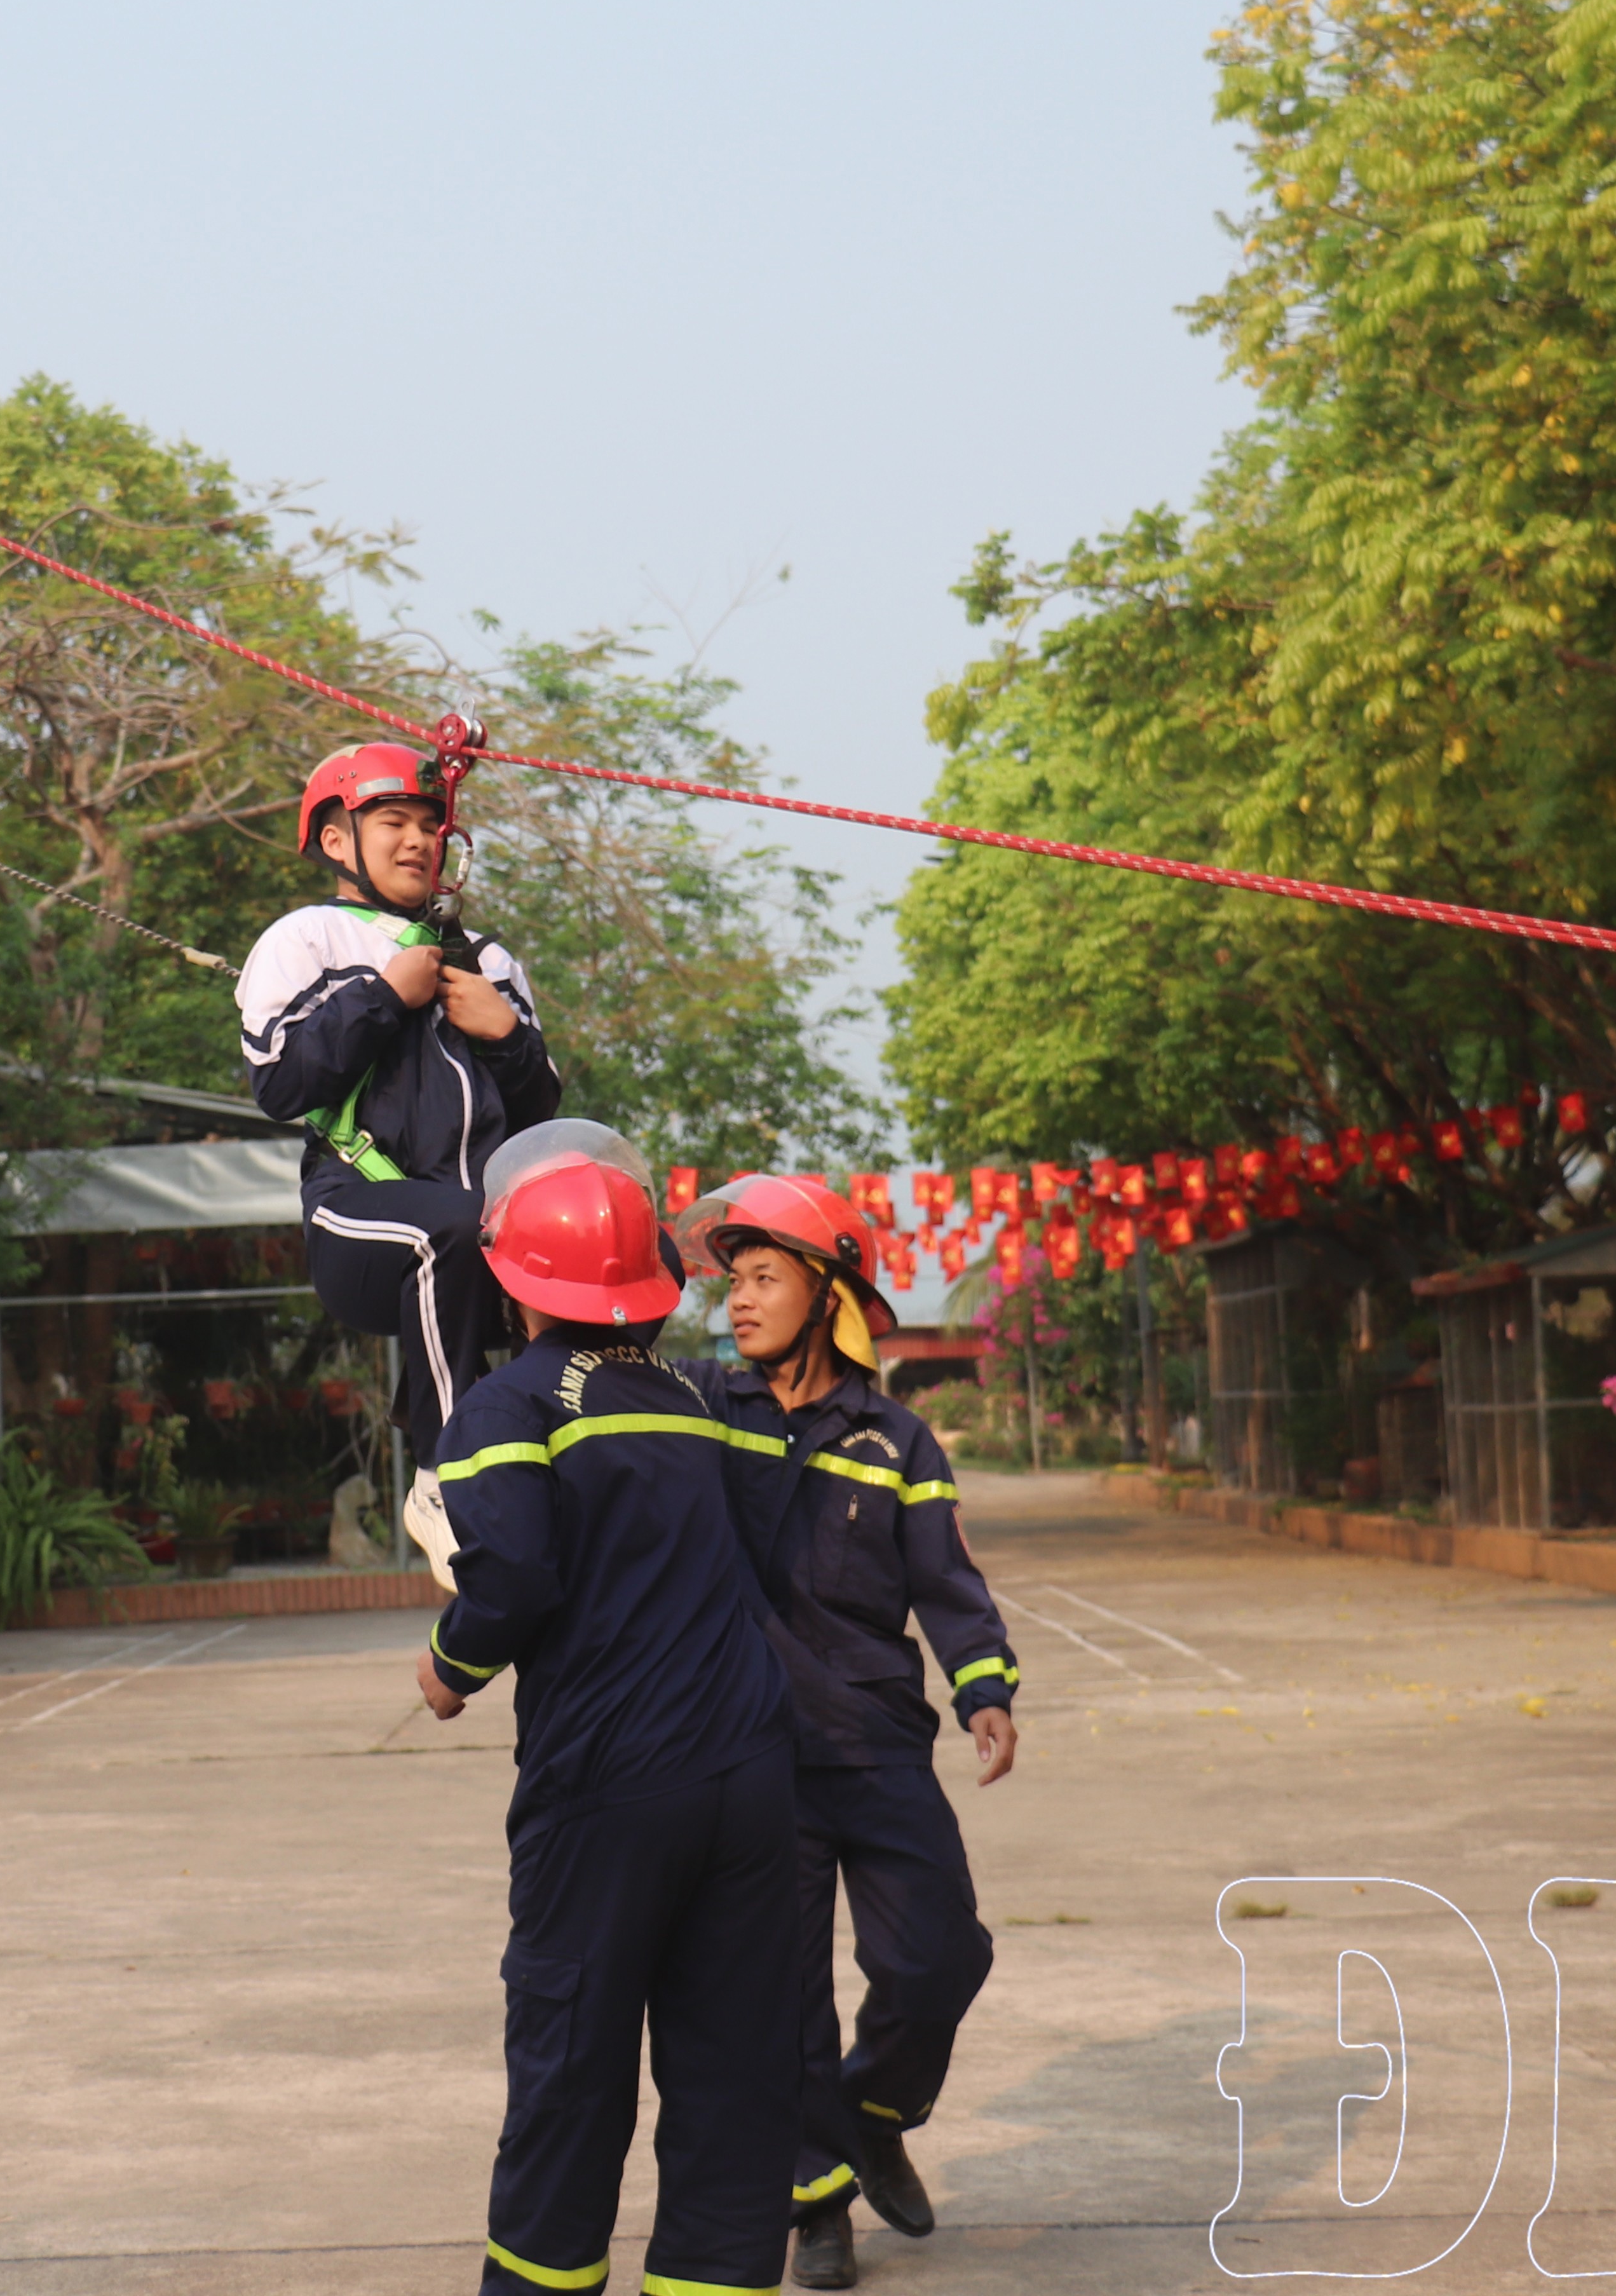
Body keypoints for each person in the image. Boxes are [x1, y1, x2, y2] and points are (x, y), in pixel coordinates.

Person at [413, 1120, 807, 2296]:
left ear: (512, 1281)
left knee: (573, 2070)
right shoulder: (698, 1400)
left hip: (610, 1790)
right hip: (748, 1779)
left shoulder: (508, 1408)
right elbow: (765, 1557)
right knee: (734, 2079)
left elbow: (515, 1580)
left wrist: (448, 1664)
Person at [674, 1173, 1020, 2293]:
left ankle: (876, 2109)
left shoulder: (896, 1439)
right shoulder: (706, 1416)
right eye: (734, 1282)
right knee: (782, 1997)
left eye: (765, 1278)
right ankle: (817, 2205)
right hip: (755, 1753)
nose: (739, 1301)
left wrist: (985, 1690)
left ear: (827, 1293)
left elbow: (949, 1583)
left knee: (939, 1953)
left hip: (875, 1739)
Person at [238, 742, 559, 1459]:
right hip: (357, 1208)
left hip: (479, 1213)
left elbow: (542, 1120)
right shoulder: (306, 937)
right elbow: (281, 1085)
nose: (419, 840)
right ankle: (452, 1467)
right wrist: (385, 997)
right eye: (393, 821)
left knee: (630, 1240)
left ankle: (578, 1461)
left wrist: (504, 1033)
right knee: (450, 1227)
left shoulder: (491, 961)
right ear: (336, 839)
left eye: (430, 825)